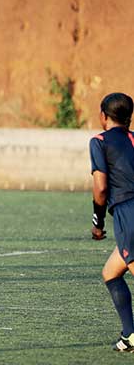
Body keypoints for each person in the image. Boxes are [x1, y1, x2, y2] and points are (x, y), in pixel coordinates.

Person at [89, 92, 134, 352]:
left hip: (128, 213)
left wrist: (98, 221)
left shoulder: (99, 141)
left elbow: (101, 187)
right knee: (111, 273)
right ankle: (129, 335)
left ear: (103, 116)